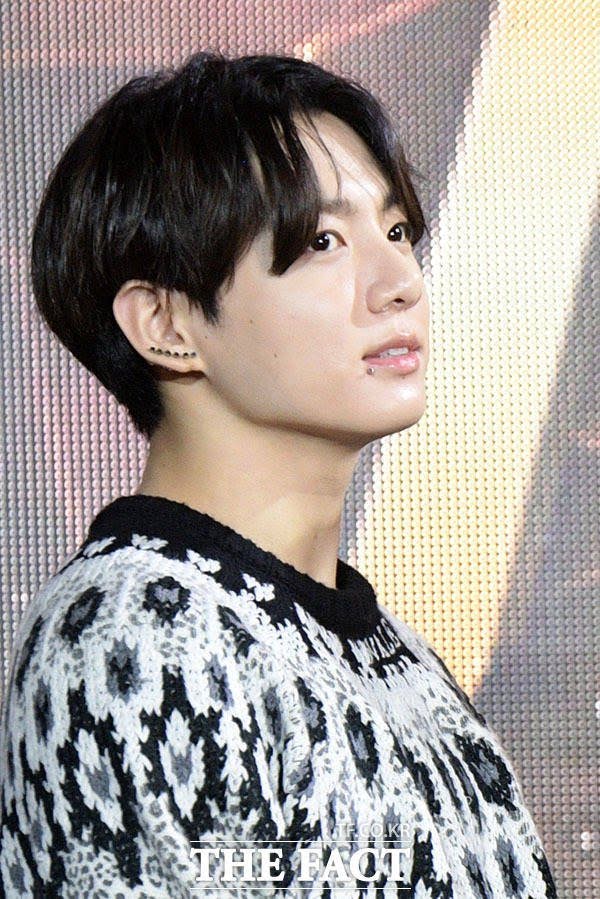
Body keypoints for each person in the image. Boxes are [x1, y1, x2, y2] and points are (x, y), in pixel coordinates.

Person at [0, 51, 557, 897]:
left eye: (397, 232)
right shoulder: (135, 638)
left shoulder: (402, 660)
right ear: (166, 323)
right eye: (322, 241)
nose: (401, 283)